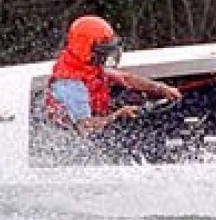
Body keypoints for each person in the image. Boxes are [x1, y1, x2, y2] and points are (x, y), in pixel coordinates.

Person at [45, 15, 180, 135]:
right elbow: (85, 127)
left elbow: (126, 79)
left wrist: (161, 88)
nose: (107, 57)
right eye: (103, 52)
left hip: (98, 119)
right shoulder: (70, 84)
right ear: (86, 50)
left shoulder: (88, 66)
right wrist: (118, 115)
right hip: (76, 137)